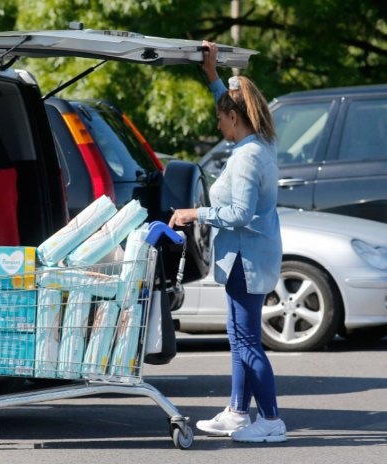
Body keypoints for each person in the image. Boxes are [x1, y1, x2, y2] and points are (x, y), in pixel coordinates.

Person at [169, 40, 287, 443]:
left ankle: (270, 421)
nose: (218, 125)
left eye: (221, 119)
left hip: (246, 258)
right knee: (240, 337)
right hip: (252, 253)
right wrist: (214, 76)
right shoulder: (261, 141)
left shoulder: (247, 157)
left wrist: (194, 213)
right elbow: (231, 103)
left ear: (234, 118)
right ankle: (238, 411)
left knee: (247, 341)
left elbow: (238, 214)